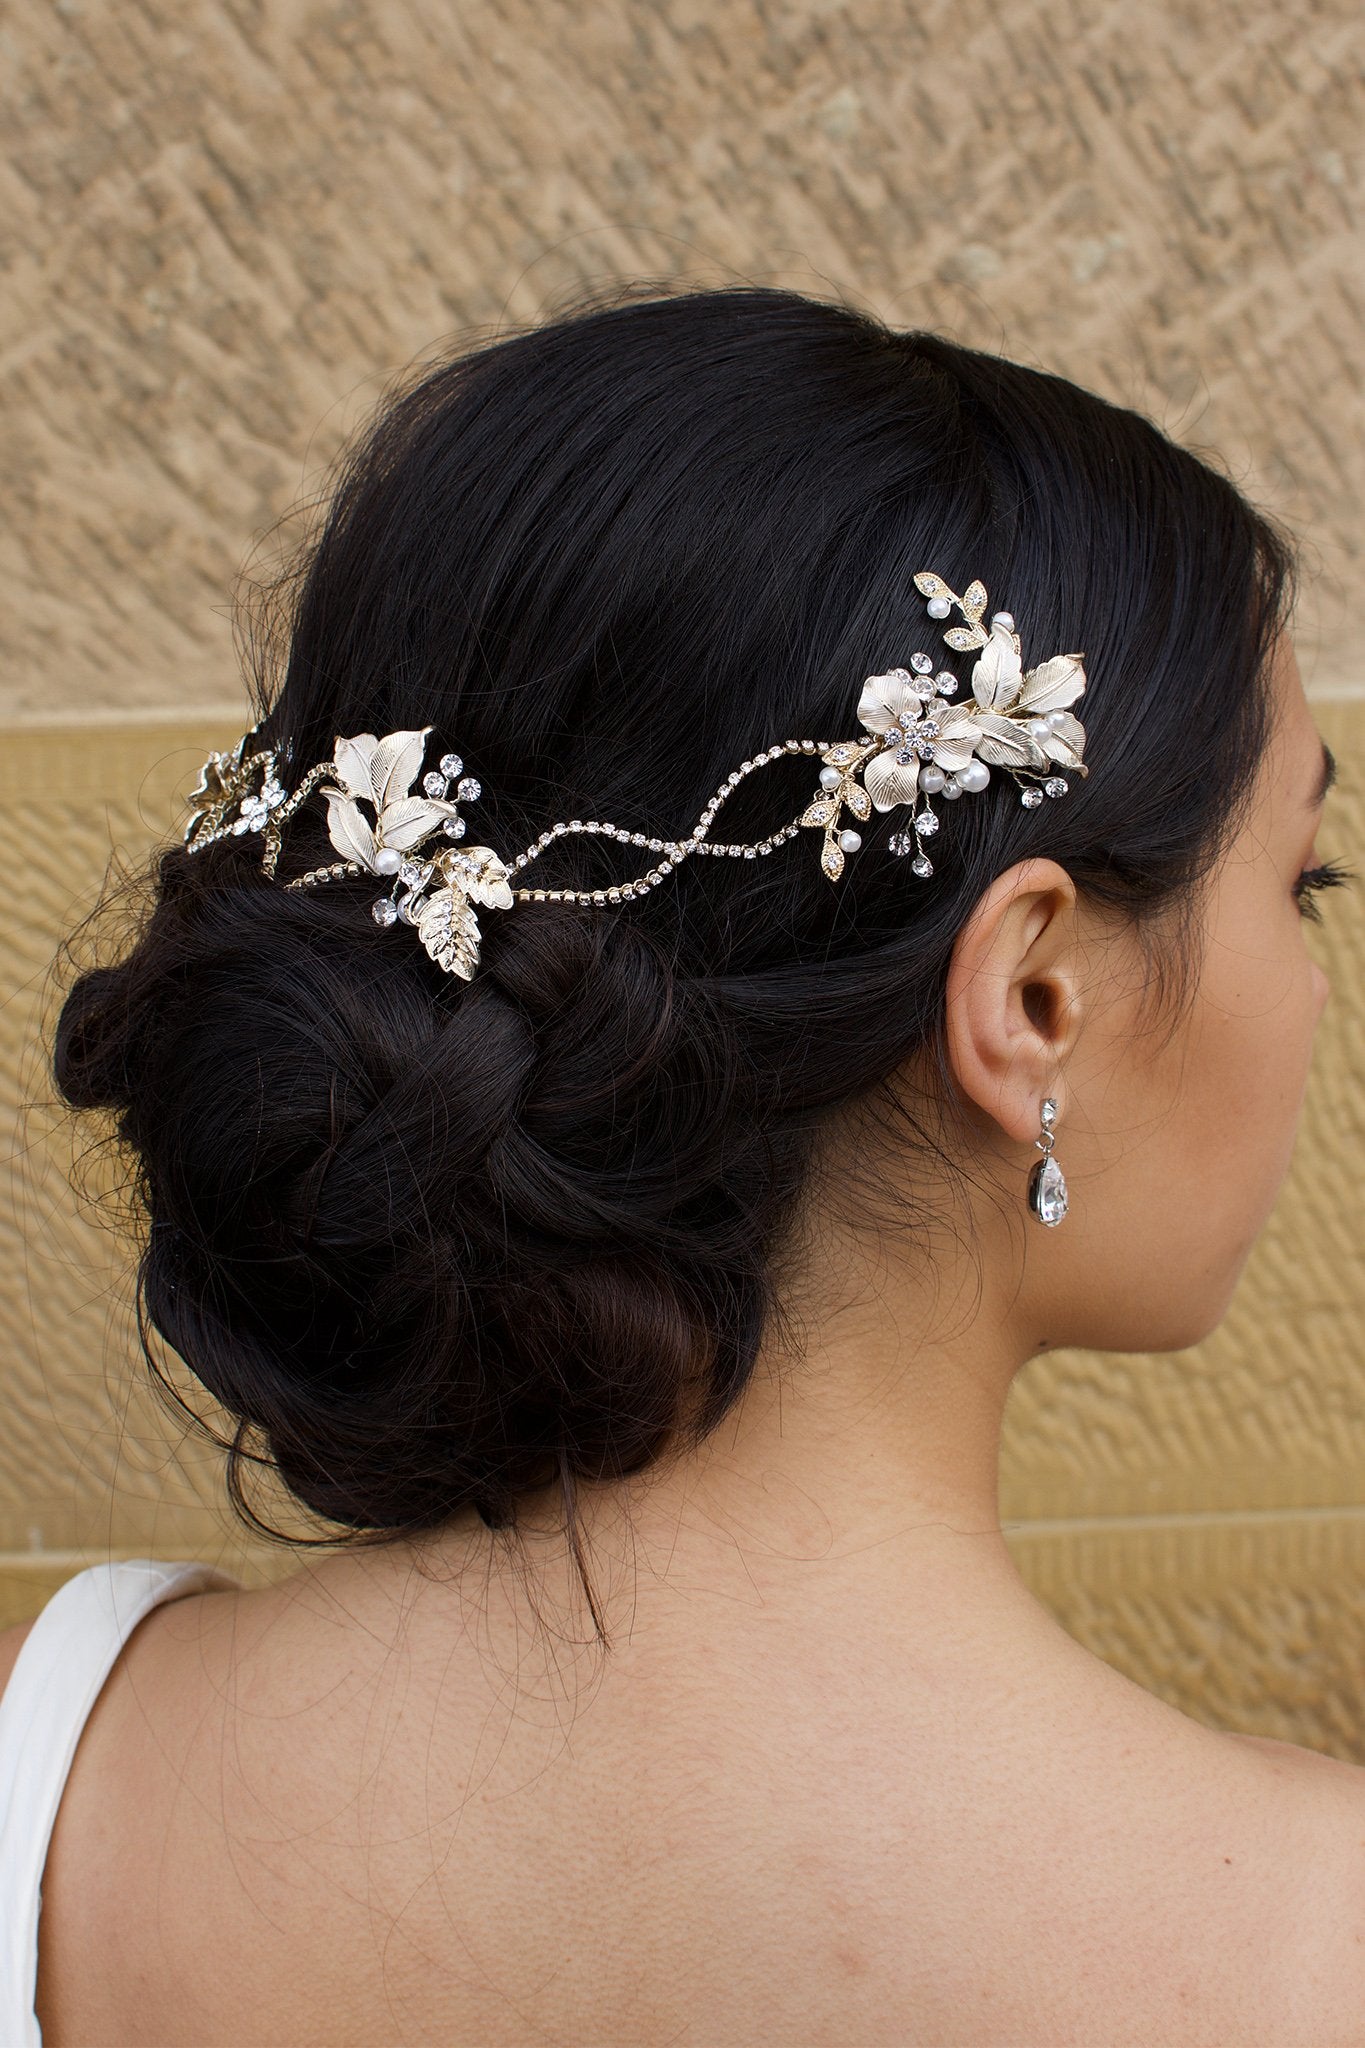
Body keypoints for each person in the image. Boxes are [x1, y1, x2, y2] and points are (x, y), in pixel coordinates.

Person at [0, 284, 1359, 2046]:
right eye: (1300, 881)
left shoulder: (52, 1790)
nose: (1313, 978)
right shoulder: (1309, 1951)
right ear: (1028, 994)